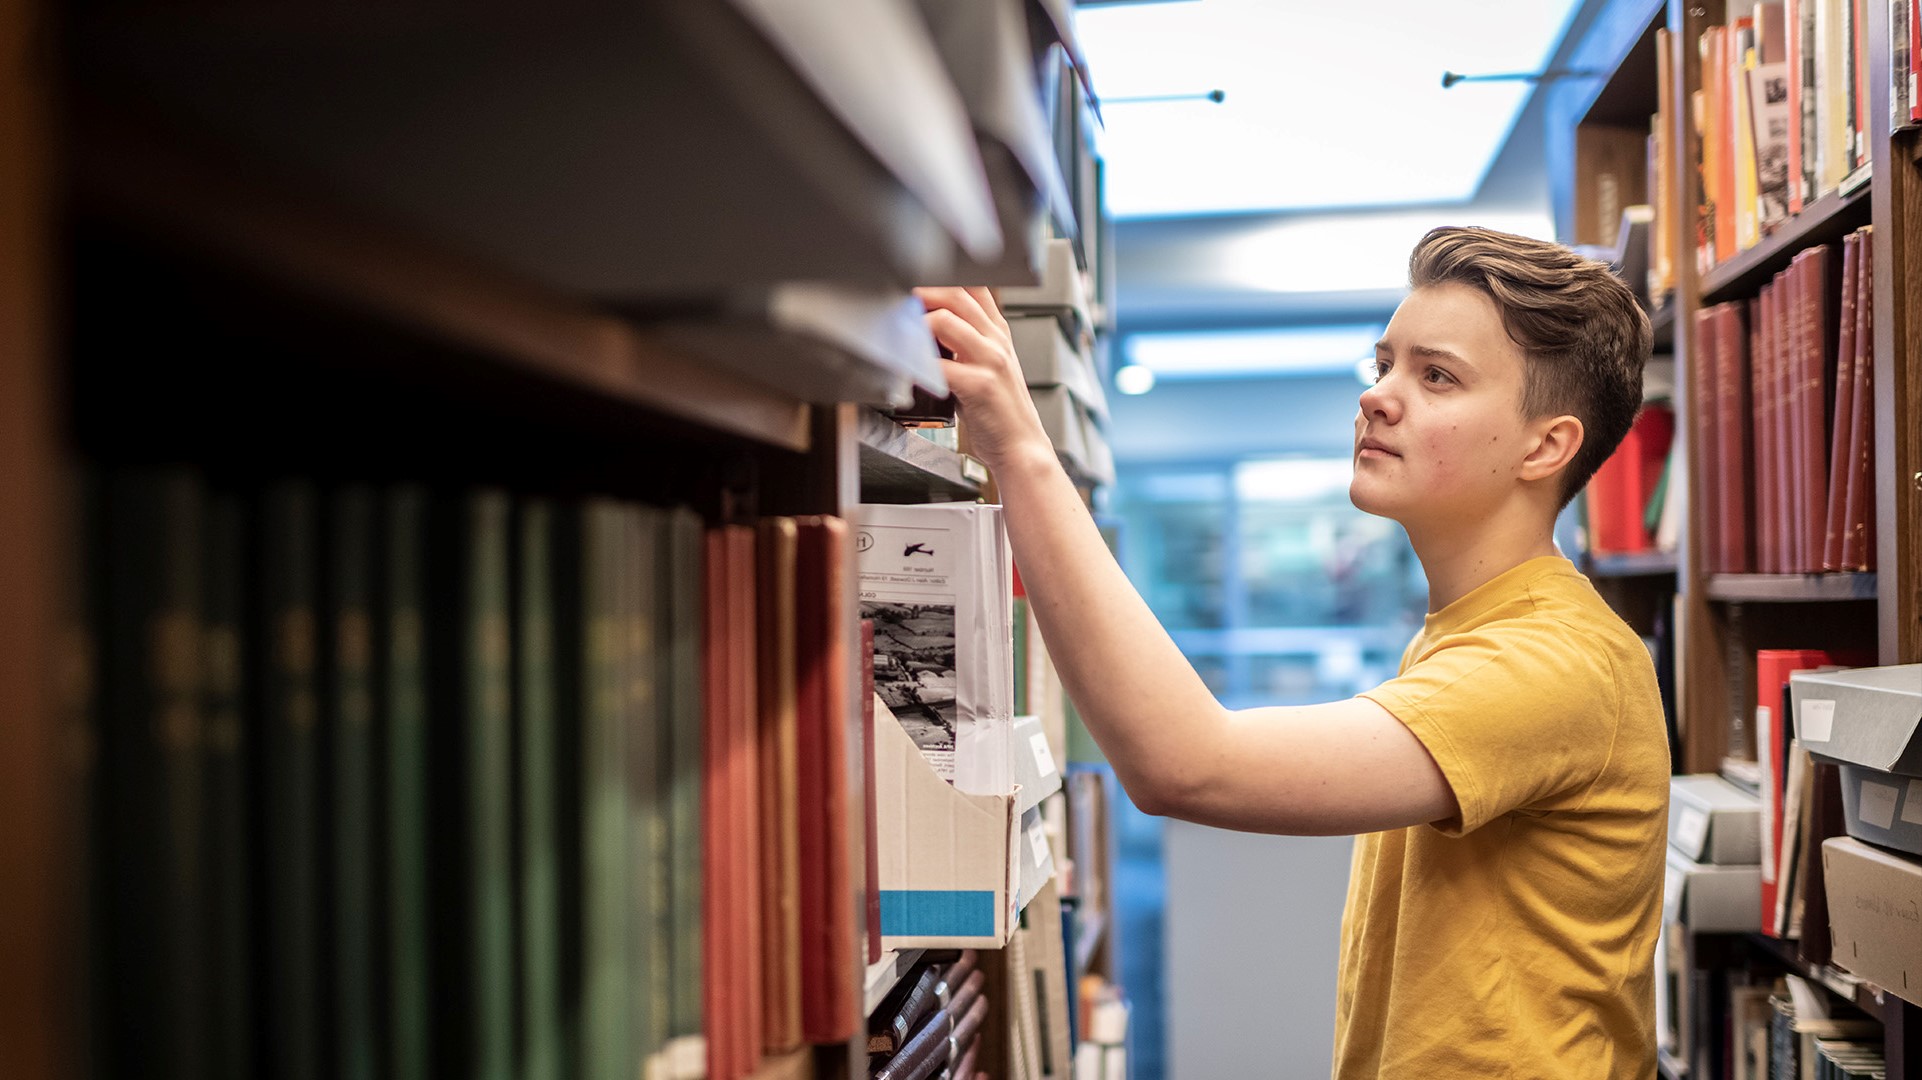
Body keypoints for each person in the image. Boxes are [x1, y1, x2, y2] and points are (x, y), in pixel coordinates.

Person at [915, 226, 1669, 1079]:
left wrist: (1020, 446)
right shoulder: (1470, 633)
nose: (1380, 396)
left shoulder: (1555, 662)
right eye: (1384, 363)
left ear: (1545, 447)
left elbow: (1186, 765)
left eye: (1437, 376)